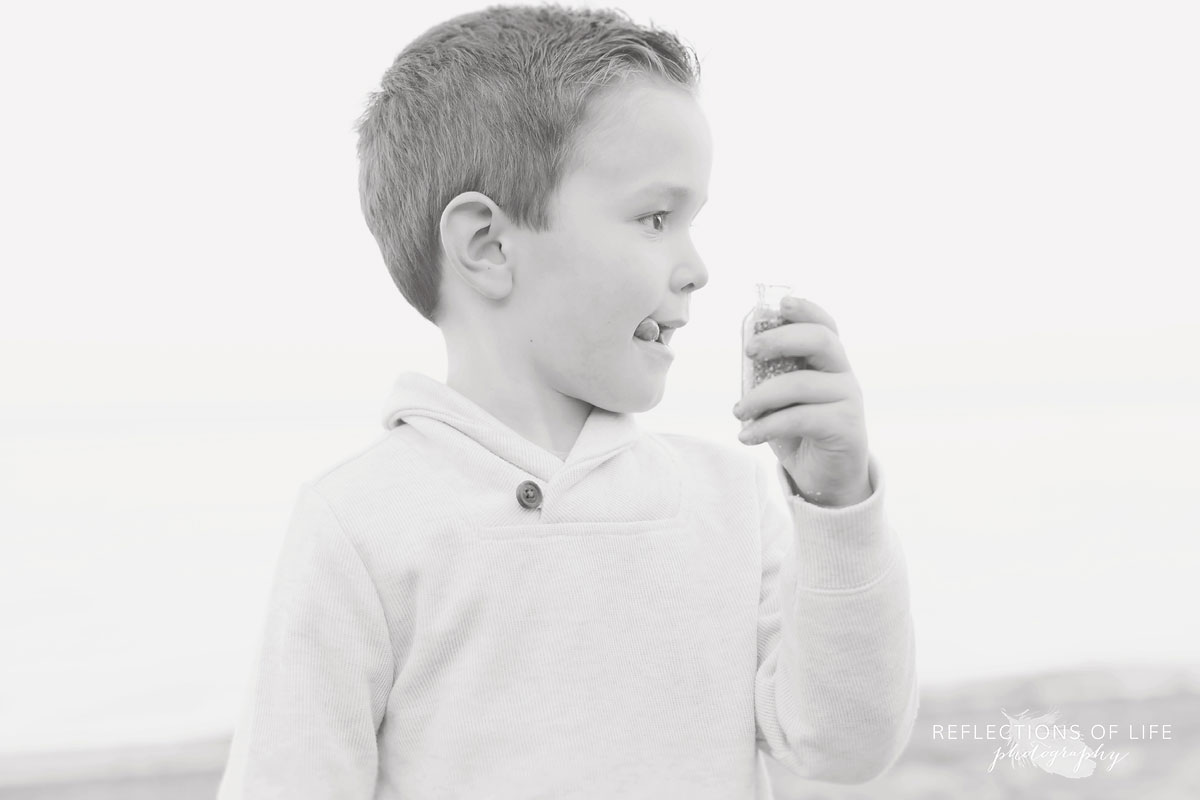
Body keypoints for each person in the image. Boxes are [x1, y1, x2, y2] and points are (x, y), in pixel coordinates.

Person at [217, 5, 918, 798]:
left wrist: (838, 508)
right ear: (487, 245)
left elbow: (845, 748)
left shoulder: (726, 502)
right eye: (657, 217)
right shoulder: (363, 525)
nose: (697, 268)